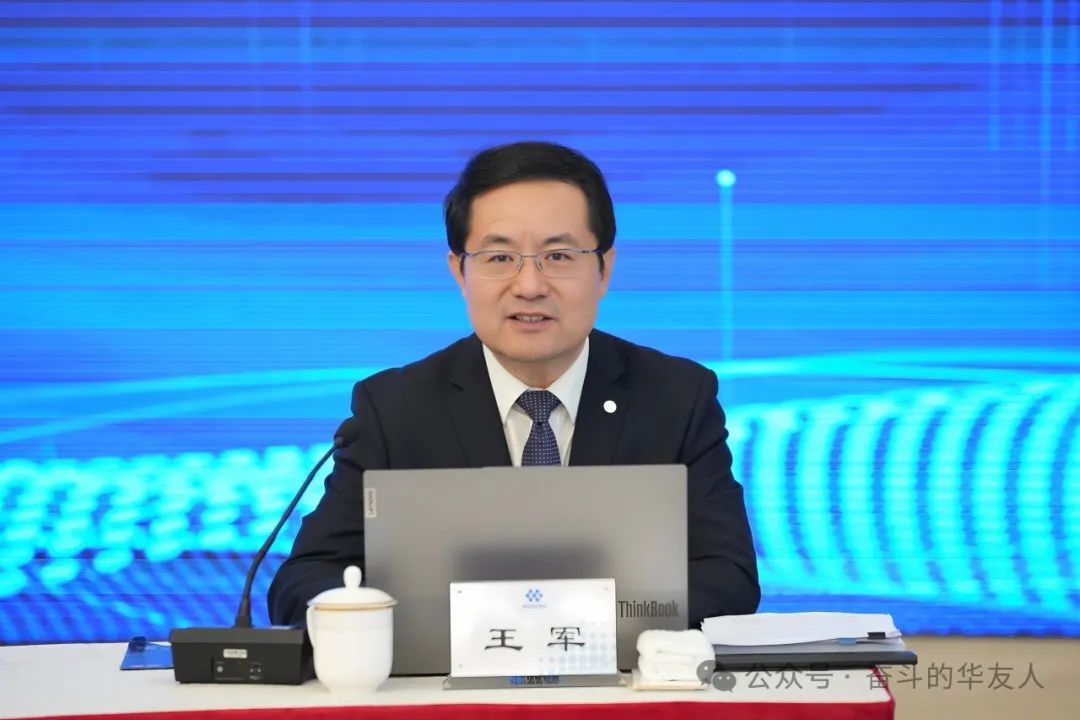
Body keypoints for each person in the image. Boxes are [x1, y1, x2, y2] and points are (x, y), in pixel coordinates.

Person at [268, 141, 759, 628]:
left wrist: (570, 622)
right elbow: (303, 581)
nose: (529, 286)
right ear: (459, 271)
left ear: (604, 269)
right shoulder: (395, 410)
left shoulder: (676, 397)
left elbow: (729, 577)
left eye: (559, 256)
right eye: (500, 258)